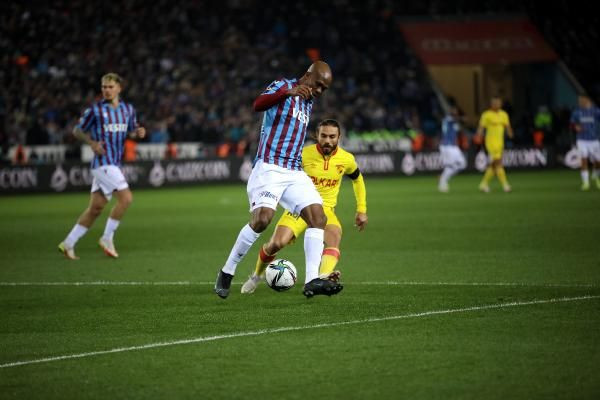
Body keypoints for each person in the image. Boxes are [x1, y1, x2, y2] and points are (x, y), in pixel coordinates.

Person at [214, 60, 342, 299]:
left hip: (293, 171)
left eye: (325, 89)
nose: (320, 91)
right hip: (270, 166)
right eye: (319, 85)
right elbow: (258, 104)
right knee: (262, 220)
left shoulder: (309, 101)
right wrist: (288, 92)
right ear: (307, 75)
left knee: (318, 217)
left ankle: (312, 280)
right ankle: (227, 271)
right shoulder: (283, 84)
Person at [241, 119, 368, 294]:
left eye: (332, 136)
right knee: (276, 244)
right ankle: (256, 276)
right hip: (298, 209)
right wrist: (275, 199)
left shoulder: (346, 159)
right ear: (317, 136)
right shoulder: (302, 154)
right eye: (324, 136)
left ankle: (322, 278)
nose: (328, 140)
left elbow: (357, 179)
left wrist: (361, 210)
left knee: (334, 236)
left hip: (326, 211)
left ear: (339, 137)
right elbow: (282, 176)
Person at [58, 73, 146, 259]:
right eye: (104, 87)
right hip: (102, 162)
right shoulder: (96, 110)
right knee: (126, 198)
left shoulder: (128, 110)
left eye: (110, 87)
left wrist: (138, 132)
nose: (106, 90)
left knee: (96, 208)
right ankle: (107, 238)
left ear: (119, 88)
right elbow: (77, 130)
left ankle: (68, 244)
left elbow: (131, 131)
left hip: (114, 162)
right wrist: (91, 143)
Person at [476, 96, 514, 193]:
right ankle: (505, 185)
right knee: (498, 162)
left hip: (500, 143)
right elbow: (481, 127)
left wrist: (510, 133)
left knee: (493, 165)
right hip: (490, 143)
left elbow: (507, 126)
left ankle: (483, 184)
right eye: (494, 103)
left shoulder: (504, 115)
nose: (496, 104)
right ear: (491, 104)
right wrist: (478, 136)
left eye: (498, 103)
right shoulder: (486, 115)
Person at [570, 94, 600, 190]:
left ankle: (596, 176)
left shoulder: (596, 111)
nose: (579, 102)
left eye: (581, 100)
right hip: (582, 140)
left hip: (594, 139)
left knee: (598, 161)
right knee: (584, 160)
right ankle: (585, 183)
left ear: (587, 100)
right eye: (579, 100)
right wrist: (575, 127)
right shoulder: (577, 112)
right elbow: (572, 123)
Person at [438, 106, 467, 193]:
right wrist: (462, 118)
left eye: (455, 110)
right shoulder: (448, 119)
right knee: (450, 165)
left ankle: (443, 178)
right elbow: (457, 120)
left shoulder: (454, 122)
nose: (455, 112)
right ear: (450, 111)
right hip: (447, 146)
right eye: (453, 110)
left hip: (453, 146)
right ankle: (443, 182)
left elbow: (457, 128)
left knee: (462, 164)